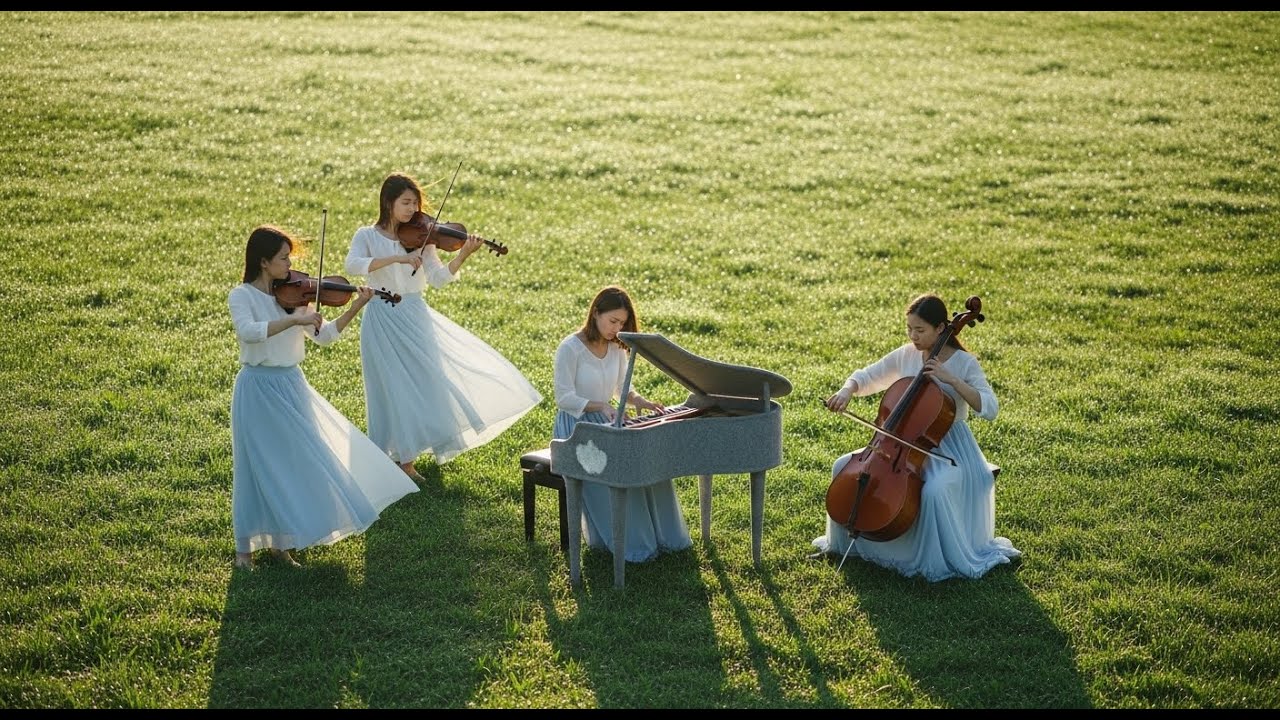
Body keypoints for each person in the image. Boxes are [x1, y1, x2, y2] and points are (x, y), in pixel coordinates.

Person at [228, 225, 419, 569]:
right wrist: (292, 322)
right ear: (263, 262)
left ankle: (282, 543)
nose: (290, 265)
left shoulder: (295, 298)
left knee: (292, 462)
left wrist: (356, 305)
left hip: (291, 383)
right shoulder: (242, 296)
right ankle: (245, 551)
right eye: (283, 259)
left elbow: (326, 336)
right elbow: (249, 332)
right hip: (257, 387)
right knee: (255, 466)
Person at [344, 172, 542, 480]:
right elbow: (352, 265)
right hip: (381, 316)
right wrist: (396, 258)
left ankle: (409, 454)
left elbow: (437, 278)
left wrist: (462, 255)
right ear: (388, 202)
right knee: (390, 386)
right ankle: (400, 460)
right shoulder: (367, 235)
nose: (413, 209)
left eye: (415, 203)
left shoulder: (422, 238)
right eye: (406, 202)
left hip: (414, 313)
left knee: (423, 382)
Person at [812, 293, 1020, 581]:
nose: (913, 336)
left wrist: (952, 379)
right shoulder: (907, 354)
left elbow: (990, 408)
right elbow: (868, 375)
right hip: (900, 441)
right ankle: (843, 546)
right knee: (842, 466)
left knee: (933, 489)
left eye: (920, 330)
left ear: (940, 328)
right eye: (909, 328)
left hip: (947, 448)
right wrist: (847, 390)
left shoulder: (964, 363)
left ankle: (929, 561)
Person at [552, 285, 693, 563]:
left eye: (622, 323)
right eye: (613, 321)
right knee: (617, 471)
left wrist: (641, 401)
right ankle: (633, 544)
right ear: (595, 313)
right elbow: (564, 397)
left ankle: (666, 538)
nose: (617, 329)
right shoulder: (570, 348)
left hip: (608, 421)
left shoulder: (617, 347)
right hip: (577, 427)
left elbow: (621, 390)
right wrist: (600, 406)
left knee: (646, 460)